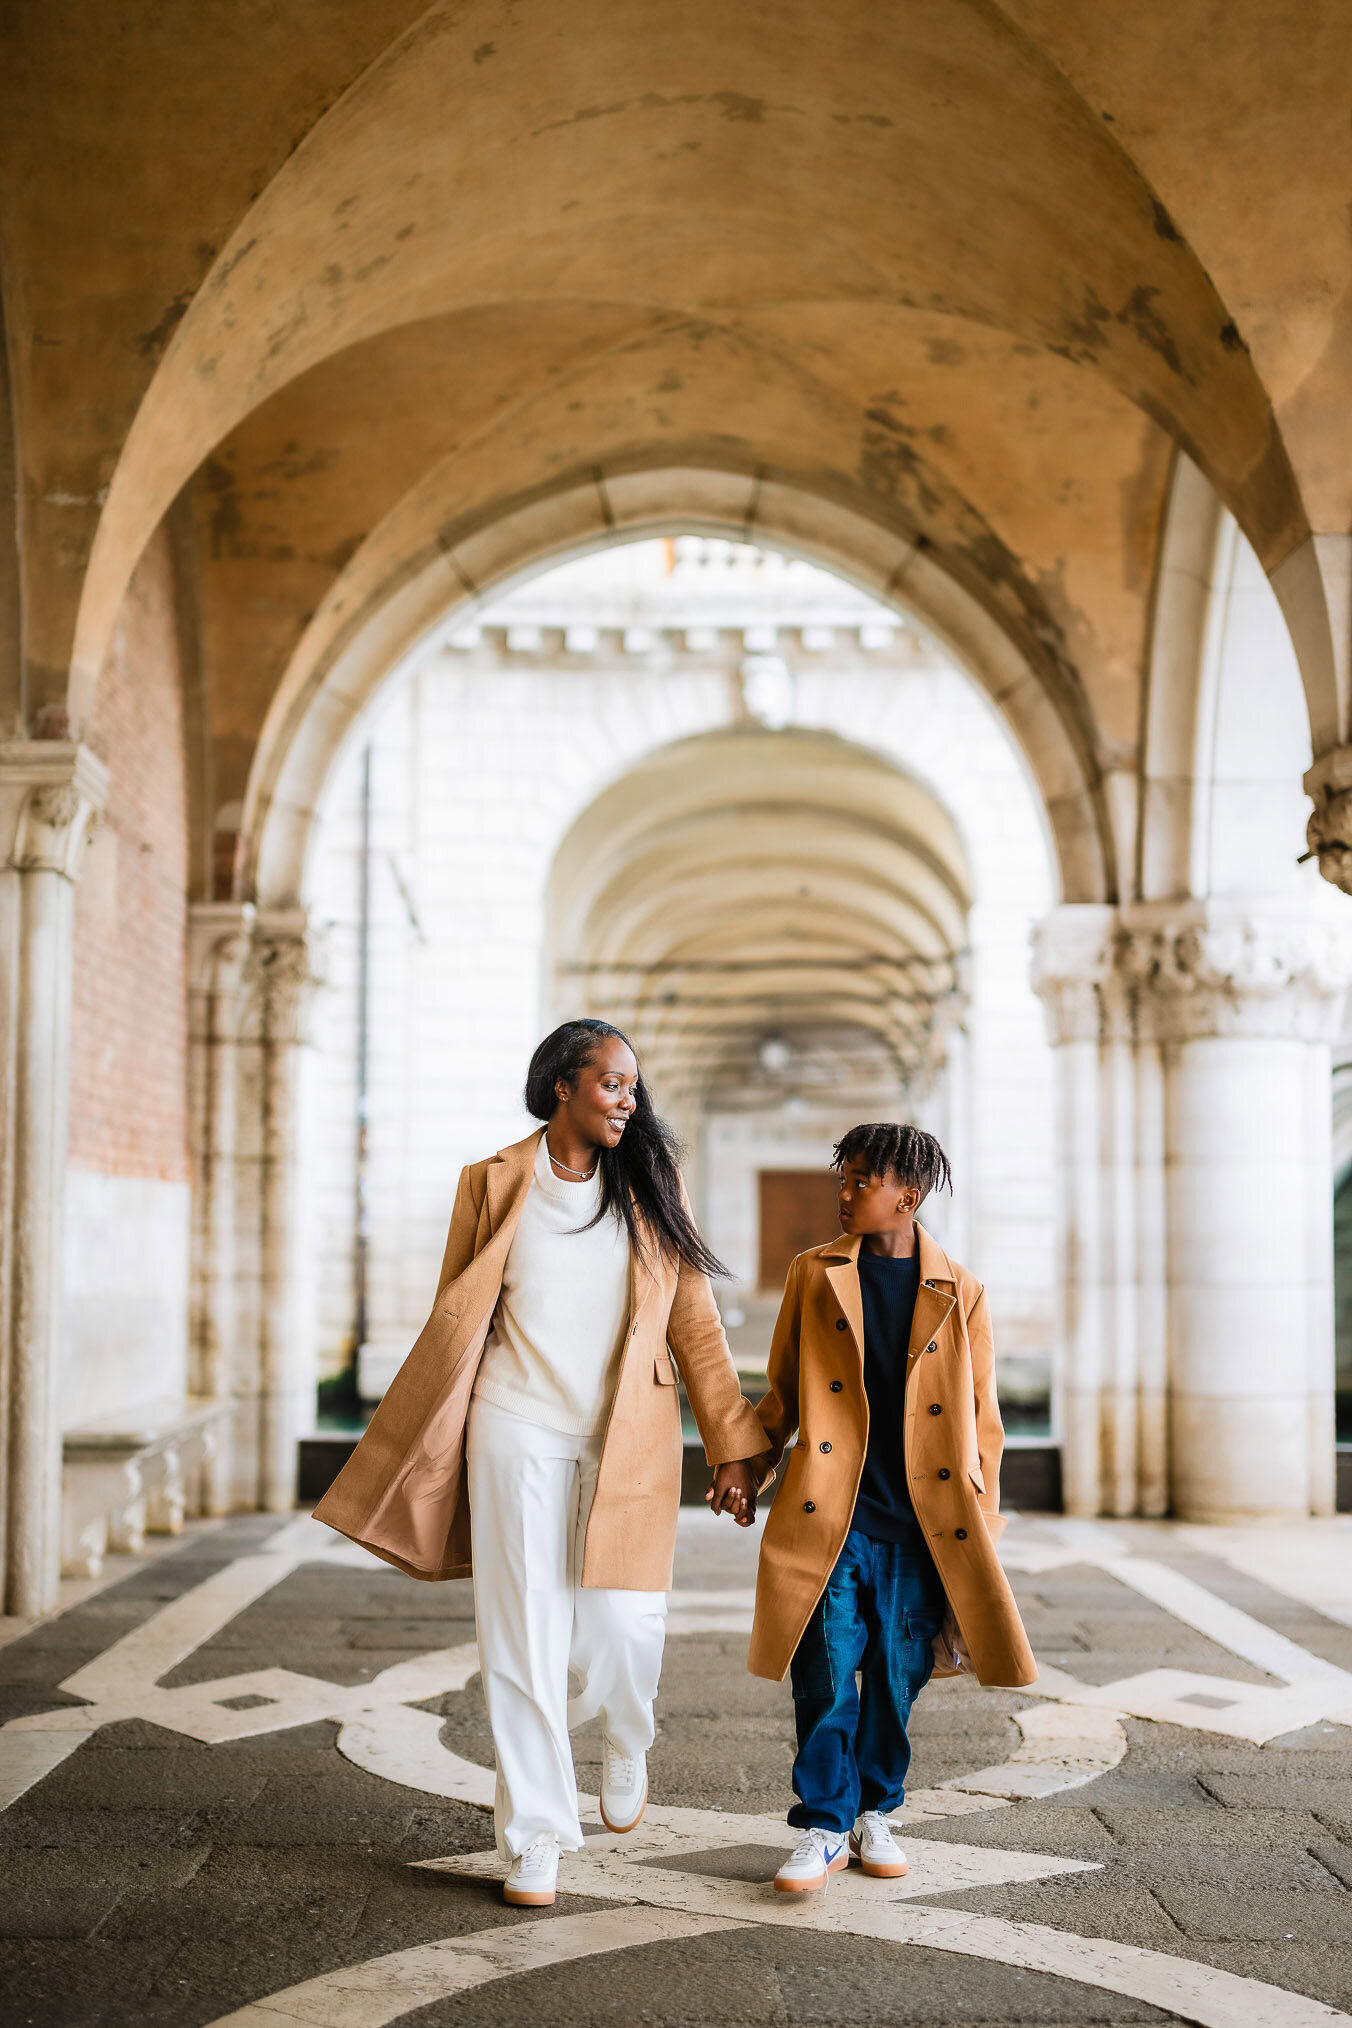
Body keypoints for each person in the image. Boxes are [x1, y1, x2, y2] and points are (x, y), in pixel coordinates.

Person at [315, 1019, 766, 1907]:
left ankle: (627, 1733)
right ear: (562, 1084)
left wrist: (733, 1446)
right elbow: (461, 1315)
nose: (629, 1101)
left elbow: (696, 1329)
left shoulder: (651, 1186)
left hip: (624, 1433)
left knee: (624, 1629)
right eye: (612, 1083)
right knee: (521, 1638)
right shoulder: (490, 1185)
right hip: (512, 1424)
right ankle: (536, 1837)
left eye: (635, 1087)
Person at [732, 1122, 1036, 1894]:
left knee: (897, 1676)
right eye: (845, 1178)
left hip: (926, 1527)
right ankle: (826, 1823)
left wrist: (984, 1532)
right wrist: (747, 1464)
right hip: (830, 1516)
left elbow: (984, 1422)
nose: (844, 1193)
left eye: (861, 1181)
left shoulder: (960, 1290)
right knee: (827, 1669)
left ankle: (876, 1810)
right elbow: (784, 1393)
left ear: (910, 1193)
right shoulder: (814, 1274)